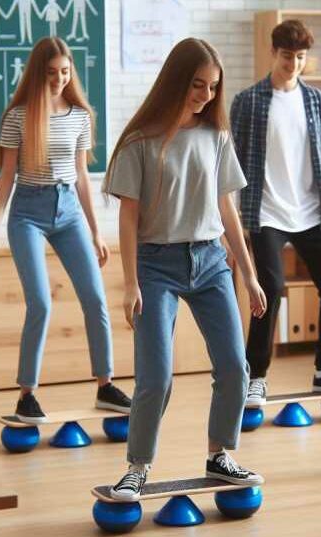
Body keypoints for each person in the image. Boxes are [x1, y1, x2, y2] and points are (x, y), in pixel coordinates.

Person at [103, 38, 266, 501]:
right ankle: (137, 466)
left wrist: (249, 274)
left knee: (235, 367)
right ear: (177, 81)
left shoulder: (215, 136)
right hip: (156, 265)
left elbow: (228, 208)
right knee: (156, 377)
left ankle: (220, 455)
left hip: (212, 261)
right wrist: (130, 282)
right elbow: (129, 217)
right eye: (198, 85)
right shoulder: (140, 142)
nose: (206, 95)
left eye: (213, 87)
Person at [0, 37, 130, 423]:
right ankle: (26, 394)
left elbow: (83, 176)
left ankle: (106, 385)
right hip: (27, 212)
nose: (59, 80)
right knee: (41, 302)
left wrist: (97, 231)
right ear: (37, 73)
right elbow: (6, 175)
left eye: (65, 72)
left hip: (68, 212)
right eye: (51, 73)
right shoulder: (18, 115)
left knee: (95, 299)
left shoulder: (80, 116)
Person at [230, 19, 321, 405]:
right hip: (265, 211)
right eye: (287, 56)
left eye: (301, 57)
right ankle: (256, 376)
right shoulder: (248, 102)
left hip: (310, 210)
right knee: (269, 290)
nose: (294, 65)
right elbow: (232, 161)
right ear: (273, 53)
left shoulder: (317, 101)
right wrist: (229, 218)